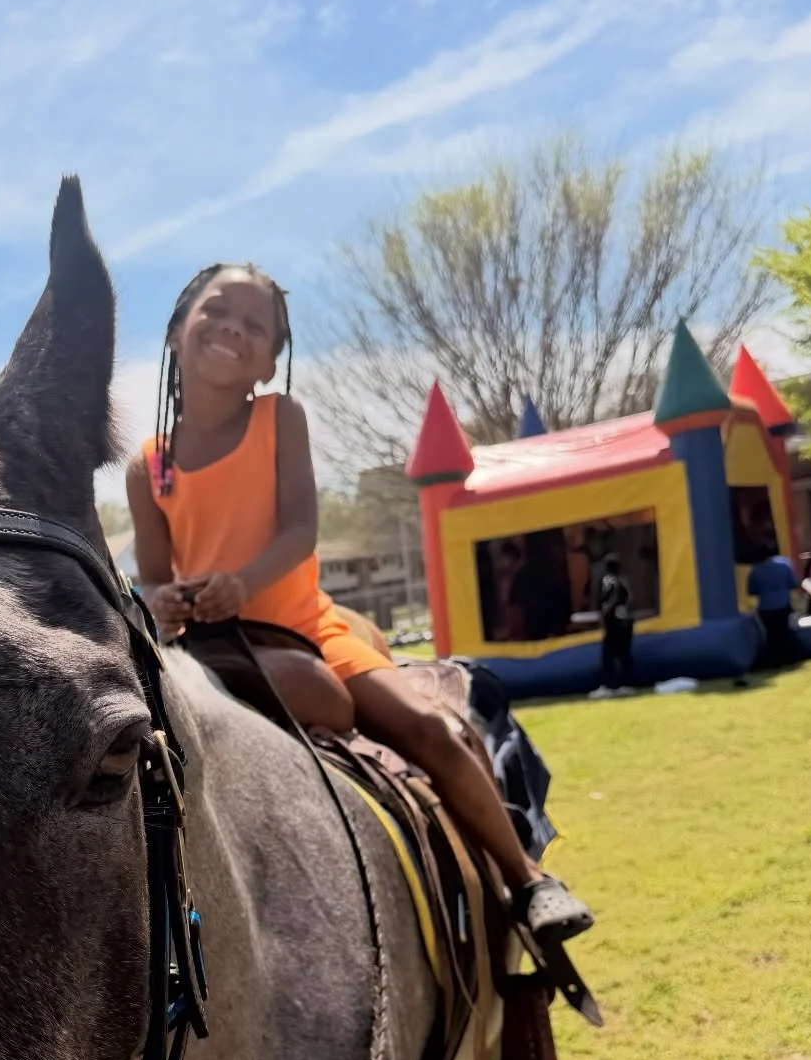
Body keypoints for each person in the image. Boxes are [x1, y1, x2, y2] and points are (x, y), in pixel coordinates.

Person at [125, 261, 593, 946]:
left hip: (297, 623)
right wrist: (164, 600)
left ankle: (527, 880)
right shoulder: (150, 465)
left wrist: (242, 585)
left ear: (268, 365)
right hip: (210, 646)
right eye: (217, 311)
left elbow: (298, 531)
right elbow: (155, 572)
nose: (233, 329)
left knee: (426, 728)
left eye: (256, 326)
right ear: (175, 332)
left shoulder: (279, 419)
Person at [747, 550, 801, 667]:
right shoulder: (784, 565)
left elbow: (751, 590)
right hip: (783, 603)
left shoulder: (755, 570)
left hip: (766, 606)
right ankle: (789, 657)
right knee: (784, 631)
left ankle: (774, 659)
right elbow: (793, 583)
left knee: (771, 634)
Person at [594, 552, 635, 696]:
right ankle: (626, 684)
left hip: (614, 622)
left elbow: (609, 599)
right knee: (624, 654)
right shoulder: (623, 581)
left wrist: (604, 615)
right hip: (626, 621)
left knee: (608, 655)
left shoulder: (609, 580)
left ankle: (608, 686)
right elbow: (629, 600)